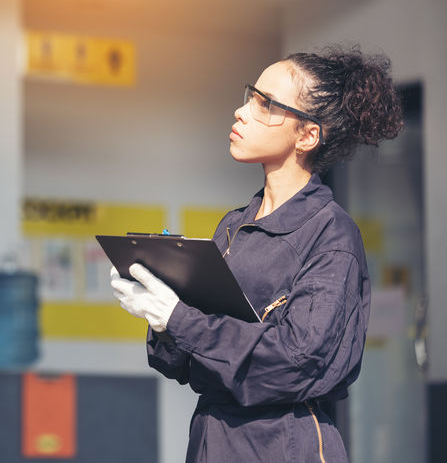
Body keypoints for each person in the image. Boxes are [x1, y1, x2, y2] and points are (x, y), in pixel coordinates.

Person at [110, 46, 404, 463]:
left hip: (283, 444)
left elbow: (294, 360)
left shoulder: (331, 235)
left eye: (265, 104)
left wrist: (178, 317)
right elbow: (185, 365)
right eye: (251, 96)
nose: (242, 111)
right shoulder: (232, 226)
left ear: (307, 135)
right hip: (212, 441)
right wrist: (161, 309)